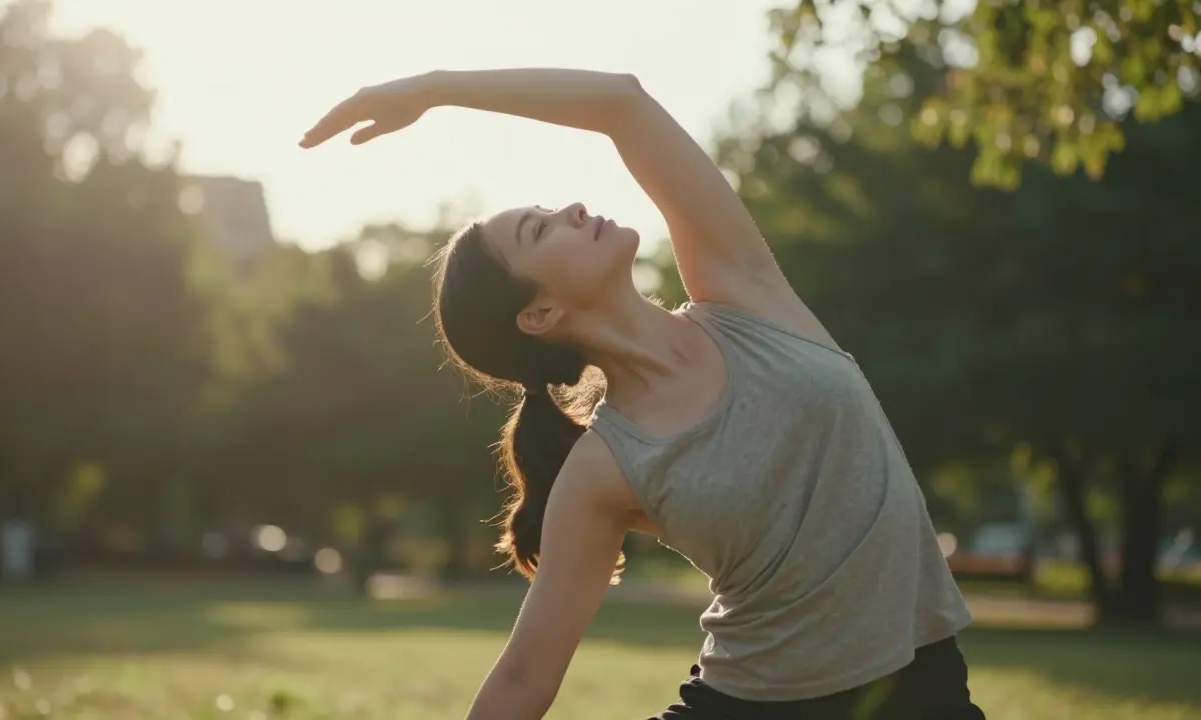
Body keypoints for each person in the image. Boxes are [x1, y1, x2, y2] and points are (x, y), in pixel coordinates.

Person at [299, 68, 985, 720]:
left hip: (923, 688)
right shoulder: (603, 469)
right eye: (541, 229)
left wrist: (435, 89)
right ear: (538, 316)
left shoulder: (743, 293)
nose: (568, 207)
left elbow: (621, 103)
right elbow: (524, 677)